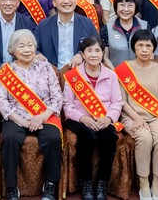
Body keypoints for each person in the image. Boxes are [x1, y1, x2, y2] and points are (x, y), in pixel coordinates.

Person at [0, 29, 64, 200]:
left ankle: (50, 184)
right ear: (12, 50)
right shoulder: (7, 71)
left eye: (30, 45)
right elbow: (1, 100)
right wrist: (21, 121)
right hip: (16, 116)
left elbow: (57, 97)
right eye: (21, 46)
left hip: (44, 115)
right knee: (10, 139)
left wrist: (42, 116)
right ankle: (11, 187)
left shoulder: (46, 67)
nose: (27, 50)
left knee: (53, 138)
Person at [117, 30, 158, 200]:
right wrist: (136, 117)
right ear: (133, 47)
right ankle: (144, 185)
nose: (144, 49)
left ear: (153, 48)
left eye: (148, 46)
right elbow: (122, 100)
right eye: (140, 45)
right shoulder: (123, 69)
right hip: (132, 115)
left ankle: (156, 185)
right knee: (144, 138)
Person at [62, 36, 122, 200]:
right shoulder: (73, 76)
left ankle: (102, 182)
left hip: (104, 118)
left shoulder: (111, 75)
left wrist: (108, 118)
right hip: (78, 119)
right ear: (82, 54)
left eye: (97, 51)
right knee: (86, 136)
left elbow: (117, 102)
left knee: (109, 137)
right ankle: (85, 182)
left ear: (103, 54)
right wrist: (83, 118)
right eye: (89, 50)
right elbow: (67, 105)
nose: (94, 54)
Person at [35, 0, 99, 68]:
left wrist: (81, 55)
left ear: (76, 0)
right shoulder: (43, 25)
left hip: (79, 71)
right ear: (54, 2)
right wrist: (38, 55)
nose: (66, 1)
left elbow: (97, 46)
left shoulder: (87, 23)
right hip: (51, 72)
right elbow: (33, 48)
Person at [104, 0, 147, 66]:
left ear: (136, 7)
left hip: (139, 72)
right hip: (115, 72)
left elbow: (150, 54)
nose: (126, 9)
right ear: (116, 7)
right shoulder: (107, 28)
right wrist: (114, 72)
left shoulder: (145, 26)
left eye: (130, 5)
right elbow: (105, 57)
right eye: (122, 5)